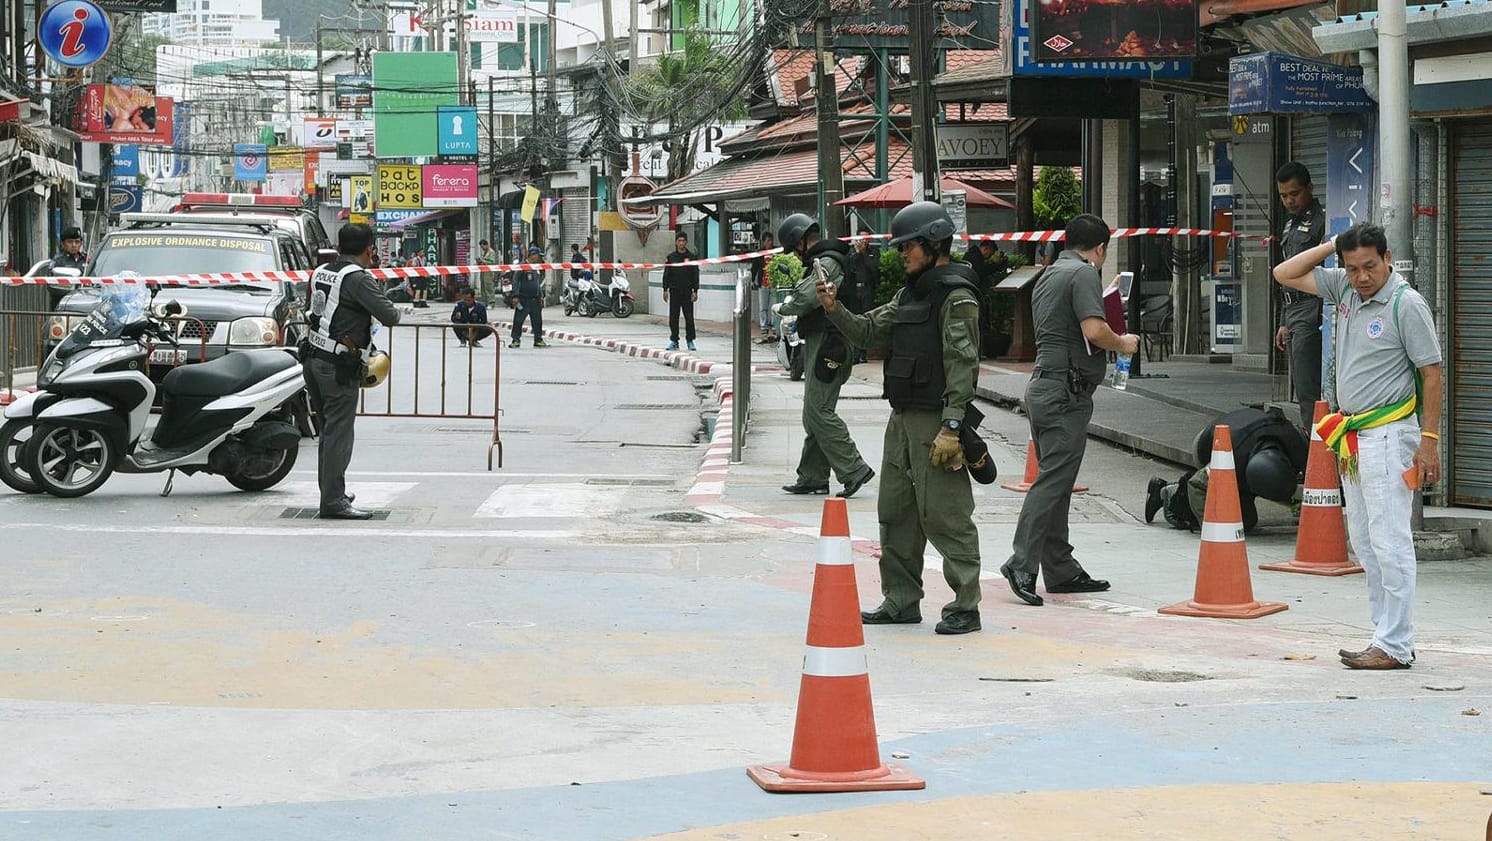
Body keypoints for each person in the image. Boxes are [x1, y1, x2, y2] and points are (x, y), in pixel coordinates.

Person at [1274, 222, 1443, 671]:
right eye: (1352, 268)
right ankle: (1383, 637)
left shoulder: (1407, 304)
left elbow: (1432, 373)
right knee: (1366, 543)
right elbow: (1283, 273)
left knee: (1390, 542)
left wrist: (1429, 441)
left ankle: (1396, 644)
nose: (1362, 276)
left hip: (1390, 434)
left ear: (1388, 259)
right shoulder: (1344, 291)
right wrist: (1333, 245)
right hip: (1353, 437)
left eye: (1370, 266)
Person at [813, 201, 984, 636]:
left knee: (946, 514)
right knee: (896, 512)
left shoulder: (957, 295)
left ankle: (966, 604)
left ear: (933, 244)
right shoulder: (910, 293)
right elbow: (870, 330)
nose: (902, 253)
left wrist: (952, 426)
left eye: (909, 246)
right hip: (902, 418)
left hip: (936, 421)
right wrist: (835, 309)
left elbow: (963, 364)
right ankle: (901, 600)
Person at [1000, 214, 1140, 607]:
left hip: (1046, 386)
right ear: (1100, 249)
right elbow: (1095, 331)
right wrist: (1124, 343)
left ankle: (1059, 568)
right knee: (1051, 482)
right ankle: (1022, 562)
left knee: (1056, 479)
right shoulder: (1083, 275)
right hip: (1066, 391)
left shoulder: (1050, 273)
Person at [302, 223, 401, 520]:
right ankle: (333, 502)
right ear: (370, 249)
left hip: (313, 358)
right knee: (338, 436)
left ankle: (332, 493)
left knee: (328, 433)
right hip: (337, 366)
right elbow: (391, 315)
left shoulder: (321, 271)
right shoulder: (358, 279)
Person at [777, 213, 876, 499]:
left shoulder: (828, 261)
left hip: (831, 342)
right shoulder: (825, 258)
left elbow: (808, 297)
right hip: (827, 340)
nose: (795, 254)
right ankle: (812, 476)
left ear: (800, 241)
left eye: (794, 248)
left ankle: (854, 469)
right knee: (814, 411)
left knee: (818, 411)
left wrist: (784, 307)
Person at [1144, 407, 1307, 532]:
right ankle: (1169, 493)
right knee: (1240, 523)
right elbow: (1196, 485)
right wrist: (1211, 528)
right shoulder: (1228, 458)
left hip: (1243, 432)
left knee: (1247, 521)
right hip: (1207, 444)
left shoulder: (1297, 444)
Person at [1274, 161, 1326, 432]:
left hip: (1312, 310)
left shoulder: (1321, 222)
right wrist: (1284, 321)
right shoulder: (1290, 226)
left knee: (1310, 388)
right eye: (1283, 195)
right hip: (1293, 312)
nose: (1289, 200)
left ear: (1309, 189)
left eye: (1294, 193)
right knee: (1302, 386)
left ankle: (1317, 456)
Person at [662, 232, 699, 351]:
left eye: (683, 241)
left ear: (686, 242)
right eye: (679, 240)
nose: (681, 243)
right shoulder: (671, 257)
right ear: (676, 242)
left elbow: (695, 273)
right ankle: (674, 340)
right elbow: (666, 274)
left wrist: (695, 290)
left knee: (689, 317)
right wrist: (665, 289)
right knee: (674, 317)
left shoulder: (691, 257)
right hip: (674, 290)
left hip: (687, 291)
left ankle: (690, 340)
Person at [509, 246, 549, 349]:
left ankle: (538, 339)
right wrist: (515, 295)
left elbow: (537, 283)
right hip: (523, 299)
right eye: (537, 256)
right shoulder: (522, 267)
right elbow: (516, 281)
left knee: (537, 321)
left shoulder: (536, 268)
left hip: (535, 299)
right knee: (518, 320)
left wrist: (541, 296)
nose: (539, 258)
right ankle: (516, 339)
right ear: (532, 255)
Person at [751, 232, 776, 342]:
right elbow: (754, 268)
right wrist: (752, 280)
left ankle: (775, 328)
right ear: (764, 242)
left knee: (774, 307)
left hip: (774, 283)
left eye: (771, 240)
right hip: (763, 284)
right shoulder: (760, 254)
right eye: (767, 241)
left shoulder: (776, 252)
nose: (769, 243)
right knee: (763, 307)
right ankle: (764, 329)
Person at [472, 239, 499, 303]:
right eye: (481, 247)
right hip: (483, 272)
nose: (482, 248)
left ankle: (491, 302)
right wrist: (479, 261)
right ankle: (485, 302)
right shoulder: (484, 253)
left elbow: (492, 262)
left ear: (486, 245)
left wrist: (483, 261)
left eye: (483, 247)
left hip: (489, 273)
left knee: (489, 287)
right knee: (483, 288)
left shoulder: (491, 252)